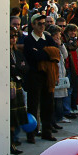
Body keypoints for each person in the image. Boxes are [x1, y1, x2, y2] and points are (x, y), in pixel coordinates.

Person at [23, 13, 56, 142]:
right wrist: (46, 53)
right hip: (34, 76)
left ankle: (47, 131)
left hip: (47, 76)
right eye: (39, 24)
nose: (42, 26)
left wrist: (42, 52)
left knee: (48, 105)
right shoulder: (28, 40)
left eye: (44, 23)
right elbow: (33, 56)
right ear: (33, 25)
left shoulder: (47, 38)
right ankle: (31, 133)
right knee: (33, 105)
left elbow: (55, 53)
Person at [9, 27, 28, 155]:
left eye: (15, 36)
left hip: (17, 85)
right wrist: (16, 68)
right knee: (10, 117)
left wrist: (16, 69)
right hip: (9, 86)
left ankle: (13, 142)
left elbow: (25, 67)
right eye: (11, 36)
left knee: (15, 118)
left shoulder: (17, 52)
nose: (13, 39)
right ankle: (10, 143)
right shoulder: (2, 53)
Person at [63, 23, 78, 117]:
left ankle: (73, 107)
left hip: (77, 68)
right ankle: (68, 109)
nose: (73, 33)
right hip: (70, 68)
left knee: (75, 89)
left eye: (74, 31)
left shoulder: (76, 42)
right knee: (69, 90)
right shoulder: (66, 43)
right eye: (71, 31)